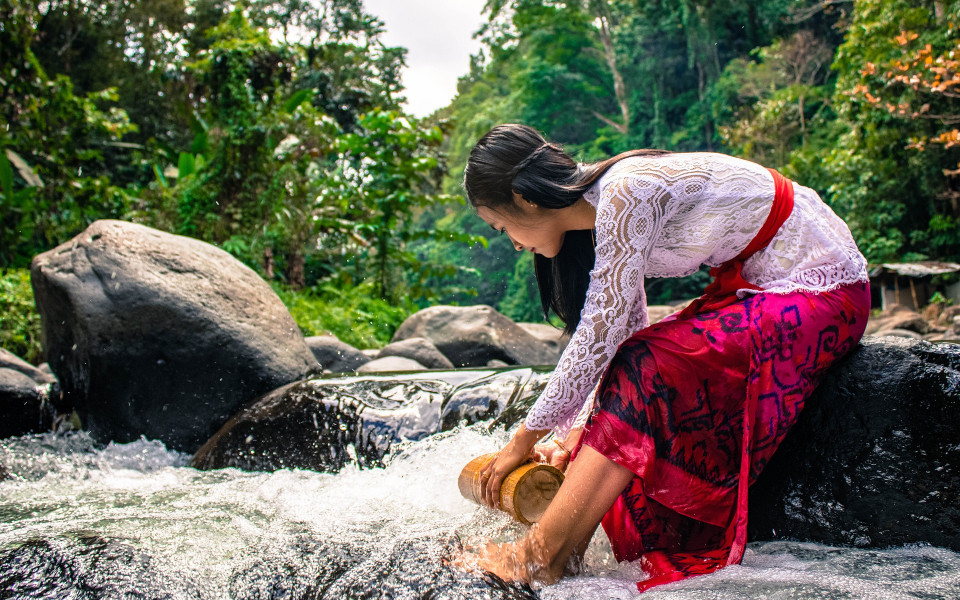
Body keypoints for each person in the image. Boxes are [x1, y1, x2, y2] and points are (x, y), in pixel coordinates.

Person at [457, 123, 870, 592]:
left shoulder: (625, 192)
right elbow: (620, 333)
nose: (512, 242)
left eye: (502, 226)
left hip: (821, 290)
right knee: (641, 361)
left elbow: (602, 334)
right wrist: (572, 435)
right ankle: (560, 547)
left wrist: (520, 442)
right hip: (758, 289)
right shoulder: (598, 215)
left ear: (525, 198)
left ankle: (542, 556)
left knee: (648, 363)